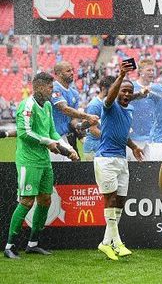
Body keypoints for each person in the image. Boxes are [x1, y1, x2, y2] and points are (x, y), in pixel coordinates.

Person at [4, 72, 78, 259]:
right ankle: (10, 246)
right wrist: (47, 142)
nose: (51, 91)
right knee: (27, 201)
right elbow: (24, 133)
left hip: (44, 161)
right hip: (28, 161)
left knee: (45, 199)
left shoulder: (46, 106)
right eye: (49, 87)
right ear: (38, 87)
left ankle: (33, 243)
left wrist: (68, 148)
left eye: (52, 88)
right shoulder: (27, 105)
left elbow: (53, 132)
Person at [93, 62, 145, 261]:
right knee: (111, 199)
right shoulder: (109, 106)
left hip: (122, 160)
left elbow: (122, 133)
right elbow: (110, 96)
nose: (126, 94)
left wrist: (133, 146)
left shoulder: (129, 110)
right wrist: (121, 76)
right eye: (124, 90)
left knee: (120, 203)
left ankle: (106, 243)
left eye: (129, 92)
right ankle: (118, 242)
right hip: (105, 159)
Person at [51, 61, 99, 161]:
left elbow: (73, 119)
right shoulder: (54, 88)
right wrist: (87, 116)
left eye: (72, 70)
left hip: (65, 138)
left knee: (69, 169)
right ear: (59, 74)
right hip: (52, 137)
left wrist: (81, 126)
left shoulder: (74, 93)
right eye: (68, 71)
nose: (72, 73)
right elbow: (64, 109)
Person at [127, 59, 156, 161]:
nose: (152, 73)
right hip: (133, 136)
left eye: (153, 70)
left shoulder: (156, 88)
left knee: (150, 169)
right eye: (149, 70)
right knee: (134, 168)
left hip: (151, 137)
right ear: (140, 72)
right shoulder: (131, 87)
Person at [82, 76, 115, 161]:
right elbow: (93, 130)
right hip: (94, 148)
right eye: (113, 88)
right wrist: (113, 139)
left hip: (102, 146)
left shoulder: (109, 103)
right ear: (104, 89)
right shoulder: (95, 105)